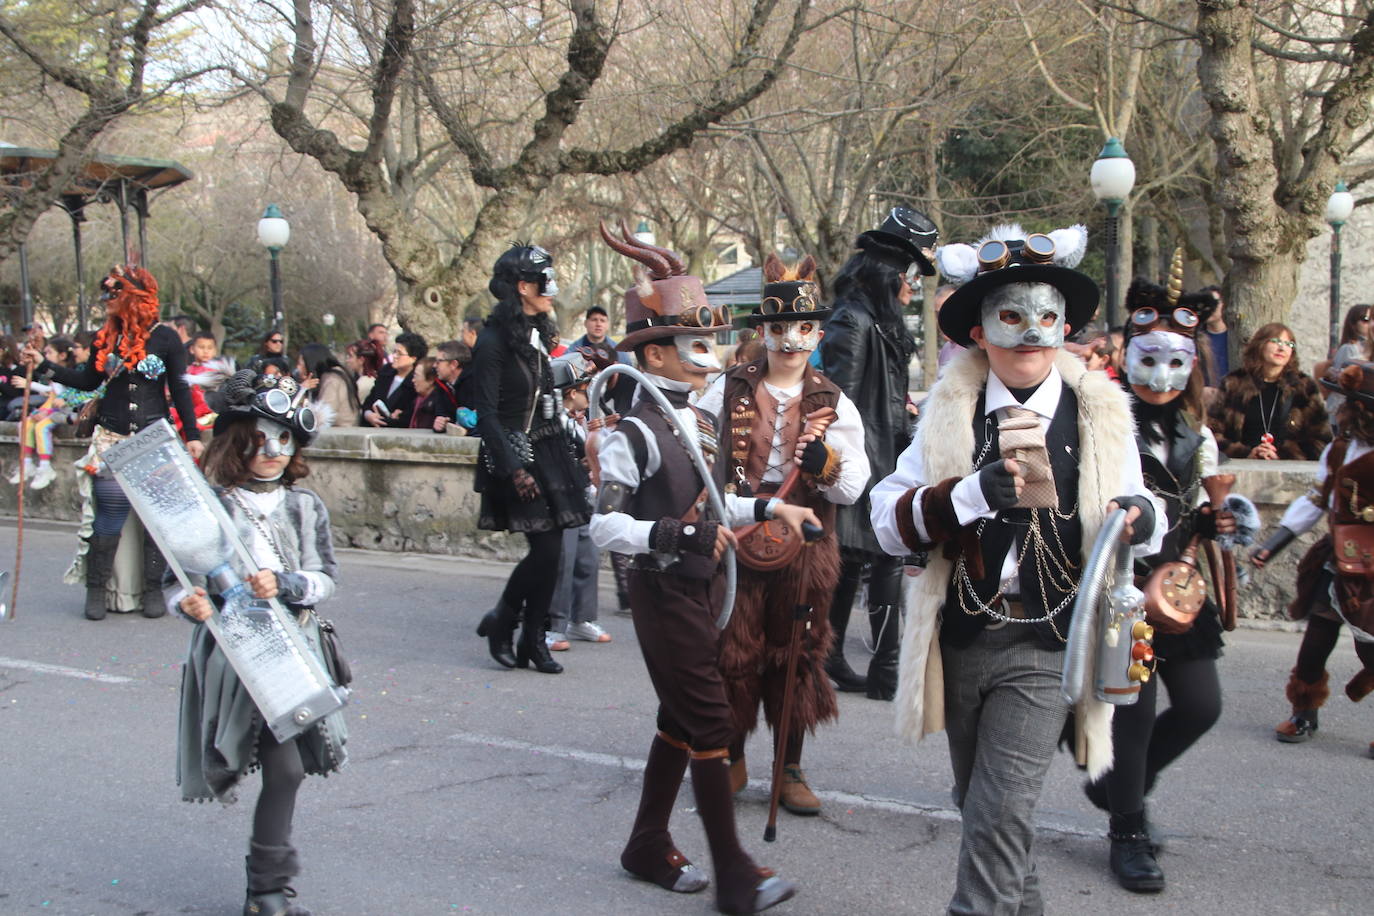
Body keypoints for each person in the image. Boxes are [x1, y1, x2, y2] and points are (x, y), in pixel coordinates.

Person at [868, 224, 1163, 916]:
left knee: (999, 811)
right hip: (966, 636)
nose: (1031, 337)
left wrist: (1141, 517)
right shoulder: (952, 411)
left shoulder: (1099, 416)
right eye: (1012, 319)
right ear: (980, 332)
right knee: (982, 806)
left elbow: (1142, 505)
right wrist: (968, 495)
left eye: (1047, 320)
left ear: (1066, 328)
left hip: (1051, 643)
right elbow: (886, 519)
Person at [589, 223, 809, 914]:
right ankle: (734, 872)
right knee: (711, 723)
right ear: (655, 353)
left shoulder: (702, 424)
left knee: (682, 720)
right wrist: (674, 533)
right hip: (661, 592)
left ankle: (647, 841)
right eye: (694, 344)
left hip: (705, 586)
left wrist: (772, 508)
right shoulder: (632, 434)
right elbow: (603, 525)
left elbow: (719, 499)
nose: (709, 356)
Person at [1082, 265, 1240, 893]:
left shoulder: (1194, 429)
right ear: (1130, 353)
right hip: (1122, 583)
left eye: (1177, 362)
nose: (1162, 376)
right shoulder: (1105, 418)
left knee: (1203, 705)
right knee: (1135, 715)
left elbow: (1193, 501)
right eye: (1150, 359)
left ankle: (1118, 785)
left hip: (1175, 582)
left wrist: (1216, 516)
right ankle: (1127, 828)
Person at [168, 368, 346, 916]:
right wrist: (191, 605)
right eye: (259, 438)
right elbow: (182, 584)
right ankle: (267, 891)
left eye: (283, 438)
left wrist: (286, 584)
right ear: (237, 442)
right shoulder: (211, 506)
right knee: (286, 769)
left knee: (290, 768)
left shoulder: (304, 506)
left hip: (295, 645)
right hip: (237, 651)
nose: (271, 450)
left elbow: (325, 578)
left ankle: (264, 890)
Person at [697, 253, 870, 816]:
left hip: (806, 549)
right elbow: (694, 459)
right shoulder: (725, 389)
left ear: (817, 333)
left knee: (797, 654)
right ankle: (731, 754)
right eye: (778, 328)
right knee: (733, 650)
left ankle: (788, 765)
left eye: (802, 329)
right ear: (763, 331)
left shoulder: (834, 400)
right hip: (741, 537)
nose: (790, 340)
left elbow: (853, 488)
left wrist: (825, 463)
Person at [21, 265, 204, 620]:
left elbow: (181, 388)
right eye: (104, 293)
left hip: (155, 438)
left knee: (155, 518)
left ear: (134, 297)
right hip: (112, 438)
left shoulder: (166, 338)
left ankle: (153, 590)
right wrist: (44, 364)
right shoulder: (105, 338)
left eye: (113, 293)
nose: (105, 300)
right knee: (110, 515)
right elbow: (87, 381)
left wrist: (193, 436)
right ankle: (97, 590)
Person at [818, 206, 939, 698]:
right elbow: (838, 400)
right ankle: (886, 668)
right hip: (864, 458)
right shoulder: (853, 320)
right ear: (888, 271)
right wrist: (854, 464)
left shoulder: (874, 319)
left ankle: (834, 656)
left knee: (859, 558)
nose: (912, 287)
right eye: (910, 274)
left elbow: (881, 397)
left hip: (884, 452)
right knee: (882, 553)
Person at [471, 244, 590, 675]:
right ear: (522, 287)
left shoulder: (537, 333)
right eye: (544, 283)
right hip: (514, 452)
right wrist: (514, 468)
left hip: (549, 446)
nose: (552, 291)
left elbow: (545, 397)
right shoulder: (491, 340)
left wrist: (574, 446)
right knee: (544, 552)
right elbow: (485, 413)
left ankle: (533, 639)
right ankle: (504, 619)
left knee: (554, 552)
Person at [1253, 359, 1374, 759]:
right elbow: (1318, 501)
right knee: (1316, 640)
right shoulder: (1341, 449)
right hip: (1340, 557)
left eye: (1349, 402)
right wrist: (1277, 542)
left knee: (1371, 648)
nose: (1340, 409)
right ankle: (1304, 711)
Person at [545, 350, 612, 649]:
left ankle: (582, 617)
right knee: (563, 561)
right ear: (572, 393)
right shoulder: (551, 424)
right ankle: (554, 624)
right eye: (587, 388)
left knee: (588, 559)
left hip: (584, 497)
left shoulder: (581, 421)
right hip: (561, 500)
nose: (592, 394)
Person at [1207, 322, 1330, 460]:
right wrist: (1246, 453)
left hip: (1289, 472)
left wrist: (1281, 455)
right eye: (1276, 341)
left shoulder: (1304, 387)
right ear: (1260, 344)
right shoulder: (1234, 383)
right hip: (1241, 469)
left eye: (1289, 344)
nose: (1282, 348)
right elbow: (1211, 433)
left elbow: (1321, 439)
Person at [1317, 304, 1373, 422]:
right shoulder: (1349, 348)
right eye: (1366, 320)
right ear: (1353, 324)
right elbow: (1341, 380)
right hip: (1347, 413)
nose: (1370, 324)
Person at [362, 332, 425, 427]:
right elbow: (369, 400)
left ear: (413, 358)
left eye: (399, 354)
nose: (395, 356)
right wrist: (368, 415)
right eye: (394, 352)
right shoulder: (385, 372)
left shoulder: (416, 382)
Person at [1201, 285, 1228, 384]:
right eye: (1204, 304)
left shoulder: (1236, 337)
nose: (1208, 308)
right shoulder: (1196, 338)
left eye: (1213, 303)